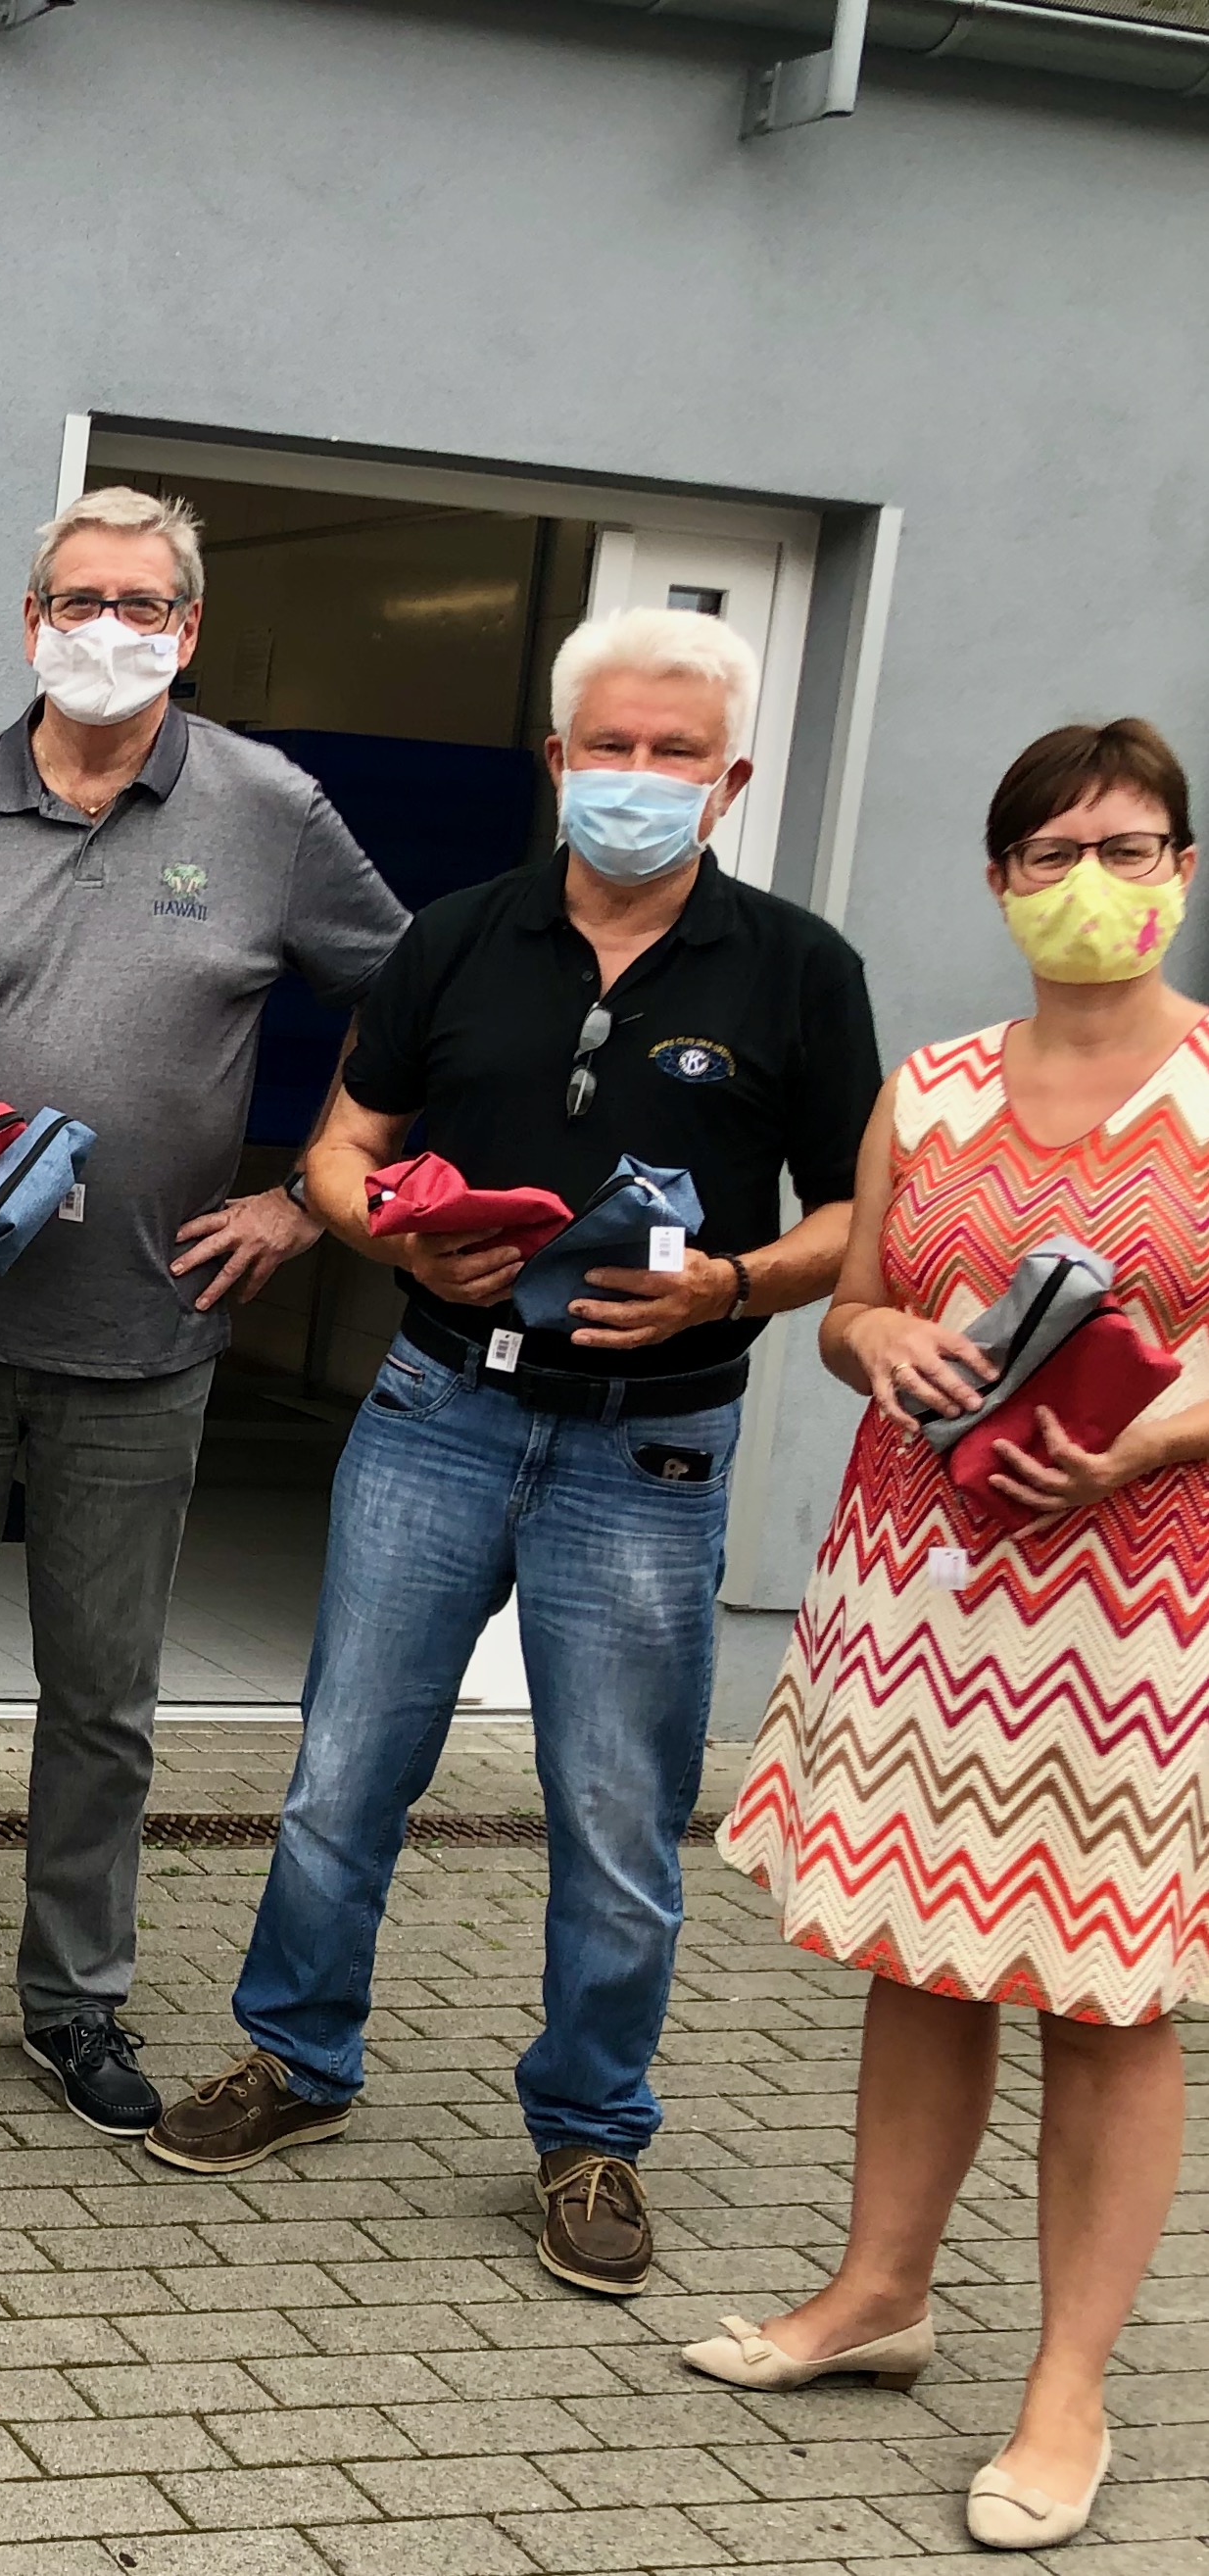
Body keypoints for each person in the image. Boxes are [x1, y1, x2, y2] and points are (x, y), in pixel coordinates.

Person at [145, 607, 883, 2299]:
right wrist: (393, 1237)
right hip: (434, 1412)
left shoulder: (797, 969)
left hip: (656, 1447)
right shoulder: (454, 939)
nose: (637, 776)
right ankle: (296, 2058)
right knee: (342, 1773)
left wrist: (733, 1278)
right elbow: (341, 1151)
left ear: (732, 777)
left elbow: (858, 1214)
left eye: (674, 751)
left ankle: (591, 2131)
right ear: (555, 760)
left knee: (616, 1817)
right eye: (607, 745)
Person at [0, 486, 409, 2128]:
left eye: (141, 605)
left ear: (188, 632)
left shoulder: (267, 809)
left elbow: (412, 1010)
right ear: (28, 620)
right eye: (77, 600)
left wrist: (302, 1198)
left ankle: (74, 1999)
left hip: (143, 1343)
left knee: (102, 1697)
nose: (105, 630)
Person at [694, 721, 1204, 2551]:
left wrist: (1159, 1420)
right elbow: (850, 1303)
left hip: (1146, 1608)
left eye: (1136, 847)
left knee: (1102, 1993)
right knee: (917, 1951)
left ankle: (1065, 2390)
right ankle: (877, 2293)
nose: (1099, 882)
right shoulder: (932, 1083)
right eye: (1058, 849)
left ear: (1184, 868)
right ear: (999, 881)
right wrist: (877, 1343)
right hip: (927, 1582)